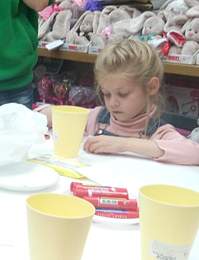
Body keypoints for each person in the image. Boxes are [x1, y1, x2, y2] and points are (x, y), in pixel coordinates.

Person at [37, 39, 199, 165]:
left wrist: (124, 144)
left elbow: (194, 152)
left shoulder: (158, 132)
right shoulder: (96, 118)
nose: (113, 103)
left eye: (123, 94)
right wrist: (51, 115)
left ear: (151, 87)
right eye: (106, 94)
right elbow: (41, 115)